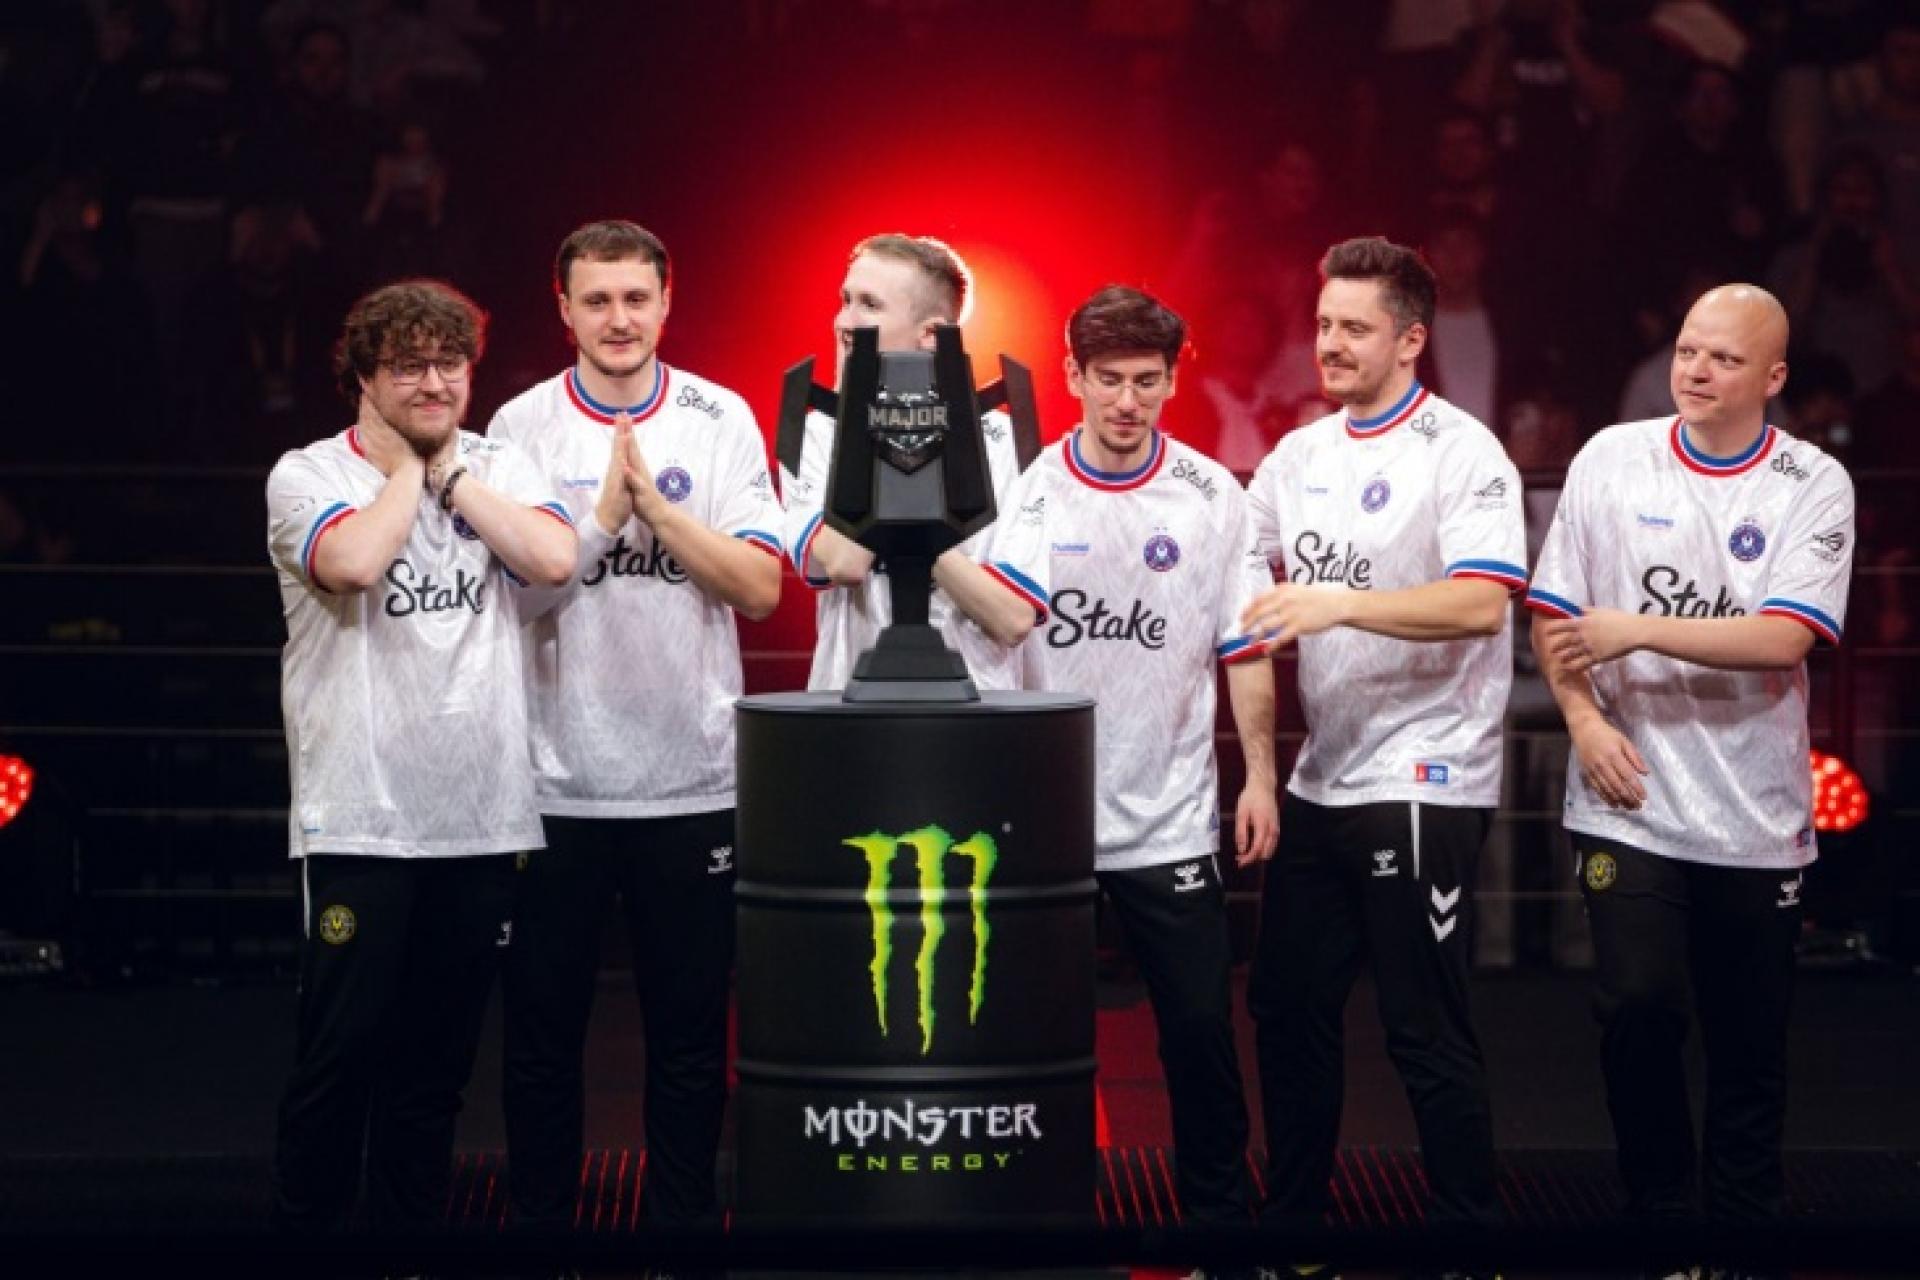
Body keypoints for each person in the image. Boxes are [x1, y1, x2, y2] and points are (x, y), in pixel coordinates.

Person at [1526, 285, 1855, 1247]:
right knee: (1635, 1007)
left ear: (1773, 377)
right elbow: (1555, 616)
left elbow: (1785, 637)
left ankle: (1742, 1242)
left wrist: (1634, 628)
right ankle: (1661, 1221)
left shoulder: (1812, 482)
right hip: (1627, 796)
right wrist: (1582, 722)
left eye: (1724, 358)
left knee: (1748, 1043)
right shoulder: (1610, 457)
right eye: (1686, 351)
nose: (1697, 371)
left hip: (1756, 812)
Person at [486, 220, 783, 1234]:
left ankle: (681, 1243)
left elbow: (759, 589)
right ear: (563, 309)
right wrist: (604, 522)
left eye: (635, 298)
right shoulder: (520, 424)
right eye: (597, 300)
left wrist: (658, 510)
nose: (618, 318)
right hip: (551, 787)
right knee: (540, 1040)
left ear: (666, 303)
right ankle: (542, 1241)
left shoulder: (719, 416)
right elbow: (511, 600)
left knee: (691, 1040)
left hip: (690, 781)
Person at [266, 279, 577, 1234]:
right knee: (340, 1058)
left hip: (479, 821)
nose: (435, 384)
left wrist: (453, 477)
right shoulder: (308, 473)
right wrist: (410, 469)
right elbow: (354, 564)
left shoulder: (497, 464)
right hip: (360, 819)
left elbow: (553, 561)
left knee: (435, 1072)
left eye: (450, 365)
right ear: (363, 376)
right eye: (409, 367)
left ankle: (407, 1247)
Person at [1242, 236, 1525, 1247]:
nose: (1330, 343)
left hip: (1425, 772)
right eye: (1324, 323)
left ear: (1410, 340)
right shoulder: (1298, 456)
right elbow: (1238, 578)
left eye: (1354, 328)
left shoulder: (1463, 450)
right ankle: (1292, 1241)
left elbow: (1481, 603)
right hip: (1324, 774)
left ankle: (1466, 1247)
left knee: (1421, 1026)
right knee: (1286, 1009)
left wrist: (1335, 603)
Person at [989, 285, 1278, 1274]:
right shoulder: (1031, 490)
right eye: (1107, 379)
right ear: (1071, 375)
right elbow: (998, 634)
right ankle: (1047, 1245)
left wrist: (1260, 778)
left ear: (1172, 380)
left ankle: (1221, 1246)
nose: (1126, 401)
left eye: (1146, 381)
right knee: (1040, 1046)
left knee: (1199, 1034)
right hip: (1048, 831)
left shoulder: (1212, 494)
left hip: (1171, 819)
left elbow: (1244, 647)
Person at [778, 233, 1046, 690]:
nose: (844, 321)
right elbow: (844, 562)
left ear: (930, 333)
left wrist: (906, 526)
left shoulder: (1003, 442)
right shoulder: (819, 432)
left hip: (973, 710)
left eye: (870, 305)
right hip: (853, 706)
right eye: (845, 300)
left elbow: (1013, 616)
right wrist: (867, 420)